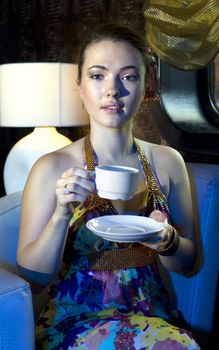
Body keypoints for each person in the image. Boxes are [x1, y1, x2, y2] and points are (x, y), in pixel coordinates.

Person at [17, 24, 200, 349]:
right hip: (74, 323)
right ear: (80, 86)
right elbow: (33, 279)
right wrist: (61, 214)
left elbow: (188, 265)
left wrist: (165, 238)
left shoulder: (167, 161)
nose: (112, 89)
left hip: (153, 321)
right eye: (98, 75)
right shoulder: (51, 167)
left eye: (128, 76)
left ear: (145, 86)